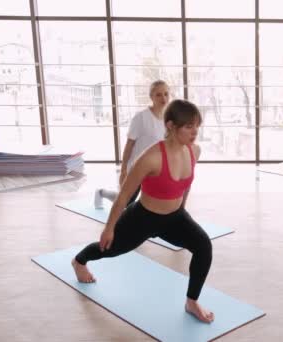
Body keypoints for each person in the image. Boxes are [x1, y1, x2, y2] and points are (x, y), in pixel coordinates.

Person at [71, 99, 215, 323]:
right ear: (170, 126)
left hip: (174, 217)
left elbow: (186, 184)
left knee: (203, 245)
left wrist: (182, 210)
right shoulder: (151, 157)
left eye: (197, 124)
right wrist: (109, 229)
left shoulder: (194, 151)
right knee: (109, 249)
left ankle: (191, 302)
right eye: (188, 126)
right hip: (143, 218)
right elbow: (124, 196)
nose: (195, 131)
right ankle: (79, 261)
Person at [94, 80, 170, 209]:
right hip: (136, 167)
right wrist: (123, 170)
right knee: (126, 202)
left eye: (166, 94)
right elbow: (129, 145)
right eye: (158, 94)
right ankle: (102, 192)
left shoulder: (169, 119)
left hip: (155, 169)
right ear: (151, 97)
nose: (163, 98)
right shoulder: (141, 117)